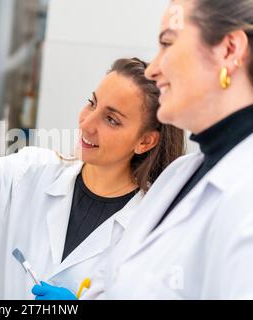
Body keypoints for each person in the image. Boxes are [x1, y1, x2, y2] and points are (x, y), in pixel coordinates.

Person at [0, 52, 184, 299]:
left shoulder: (151, 231)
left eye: (111, 119)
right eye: (92, 103)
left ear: (145, 141)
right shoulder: (31, 175)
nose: (87, 123)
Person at [85, 0, 253, 300]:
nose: (152, 70)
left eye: (167, 43)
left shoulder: (245, 195)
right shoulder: (181, 173)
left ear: (229, 50)